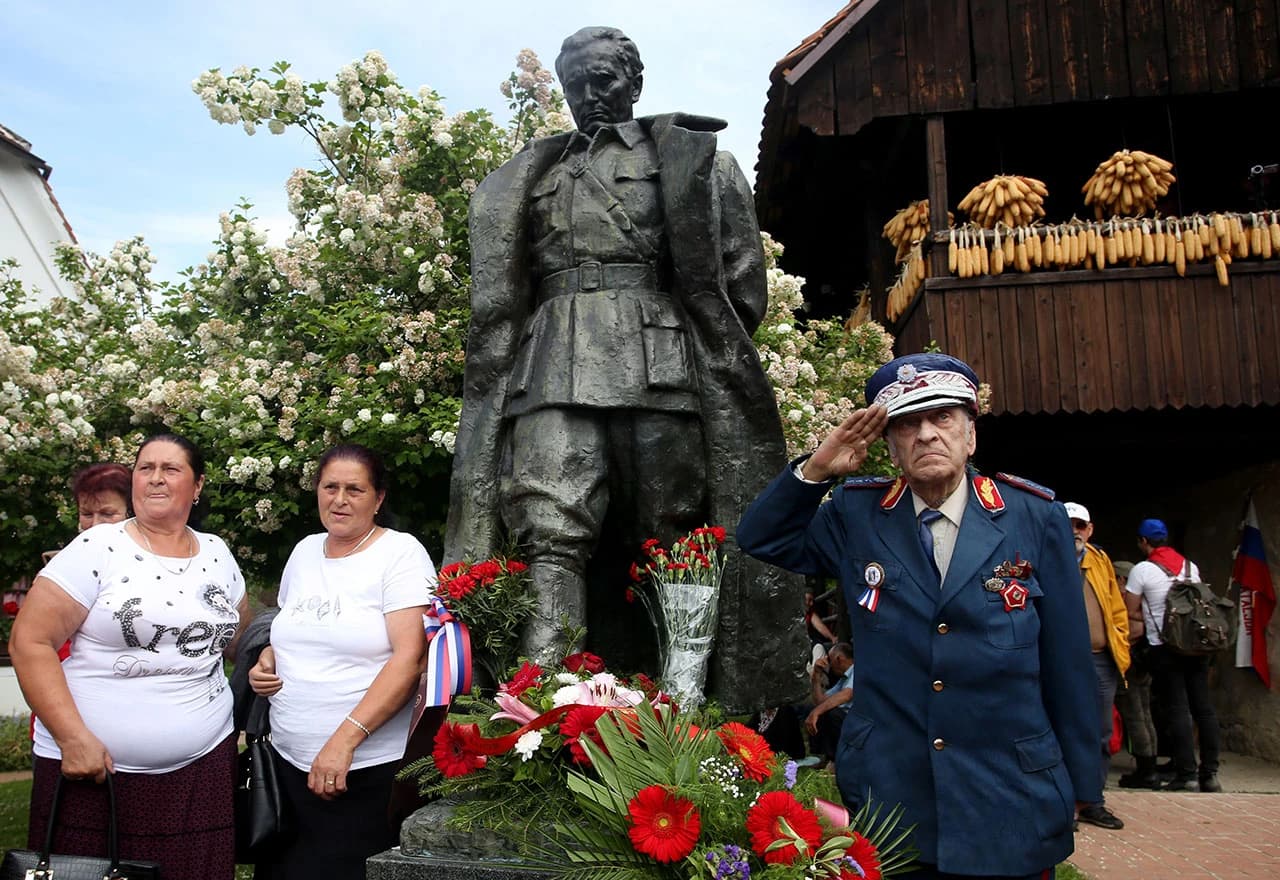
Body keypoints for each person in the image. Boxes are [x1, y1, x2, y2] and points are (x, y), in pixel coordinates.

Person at [444, 26, 798, 705]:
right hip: (548, 364)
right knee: (549, 526)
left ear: (635, 82)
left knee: (672, 530)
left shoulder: (695, 160)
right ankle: (543, 699)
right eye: (576, 81)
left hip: (658, 367)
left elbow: (740, 284)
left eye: (604, 77)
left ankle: (685, 701)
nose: (589, 91)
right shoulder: (531, 174)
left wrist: (686, 349)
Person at [737, 352, 1099, 880]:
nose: (926, 435)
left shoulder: (1032, 517)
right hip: (892, 795)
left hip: (1010, 793)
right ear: (889, 446)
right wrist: (817, 468)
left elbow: (1068, 663)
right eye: (907, 425)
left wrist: (1082, 786)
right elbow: (761, 537)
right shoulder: (857, 514)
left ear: (970, 435)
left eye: (942, 418)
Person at [9, 433, 248, 880]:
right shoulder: (97, 547)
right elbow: (29, 642)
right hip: (95, 773)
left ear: (197, 486)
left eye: (170, 469)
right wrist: (72, 738)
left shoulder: (217, 553)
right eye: (145, 468)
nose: (155, 479)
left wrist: (266, 650)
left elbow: (238, 635)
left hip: (202, 770)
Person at [249, 444, 433, 880]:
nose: (340, 499)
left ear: (379, 498)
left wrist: (343, 742)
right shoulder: (305, 551)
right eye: (330, 487)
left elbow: (410, 658)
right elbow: (295, 629)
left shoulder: (400, 554)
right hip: (289, 767)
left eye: (355, 489)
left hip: (361, 773)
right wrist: (268, 659)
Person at [1124, 518, 1222, 792]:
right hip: (1196, 646)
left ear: (1144, 542)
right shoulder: (1191, 567)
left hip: (1165, 648)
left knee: (1177, 709)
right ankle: (1210, 775)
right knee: (1203, 708)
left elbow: (1129, 610)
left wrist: (1148, 610)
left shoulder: (1143, 569)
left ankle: (1186, 775)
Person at [1063, 502, 1129, 830]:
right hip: (1062, 661)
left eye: (1080, 525)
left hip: (1101, 659)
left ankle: (1093, 800)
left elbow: (1117, 609)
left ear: (1089, 530)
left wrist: (1121, 648)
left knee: (1102, 732)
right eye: (1068, 524)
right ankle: (1064, 802)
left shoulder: (1100, 561)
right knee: (1063, 728)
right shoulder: (1047, 557)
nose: (1074, 531)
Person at [1112, 559, 1160, 788]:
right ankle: (1149, 764)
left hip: (1130, 663)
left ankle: (1146, 770)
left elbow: (1130, 629)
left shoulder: (1126, 600)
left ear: (1121, 579)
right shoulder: (1147, 601)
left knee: (1135, 715)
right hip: (1144, 662)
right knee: (1144, 713)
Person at [804, 641, 854, 765]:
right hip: (846, 718)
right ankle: (821, 756)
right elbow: (820, 701)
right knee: (818, 709)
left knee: (831, 712)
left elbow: (847, 694)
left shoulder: (857, 670)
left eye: (830, 661)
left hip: (858, 719)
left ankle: (835, 760)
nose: (829, 666)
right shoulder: (843, 679)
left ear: (839, 659)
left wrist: (817, 711)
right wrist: (816, 675)